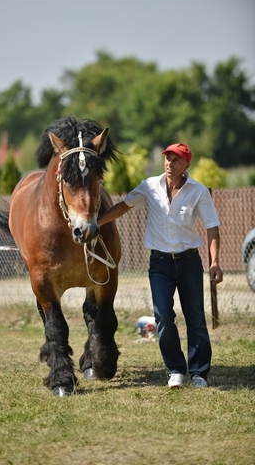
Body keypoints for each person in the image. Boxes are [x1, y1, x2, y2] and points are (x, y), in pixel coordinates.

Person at [98, 143, 223, 389]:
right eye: (167, 158)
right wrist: (97, 223)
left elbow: (212, 227)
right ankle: (175, 369)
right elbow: (124, 206)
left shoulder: (198, 191)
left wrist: (215, 262)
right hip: (160, 264)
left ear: (187, 164)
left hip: (189, 262)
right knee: (163, 317)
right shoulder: (149, 187)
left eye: (176, 160)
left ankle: (199, 372)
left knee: (195, 318)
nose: (169, 163)